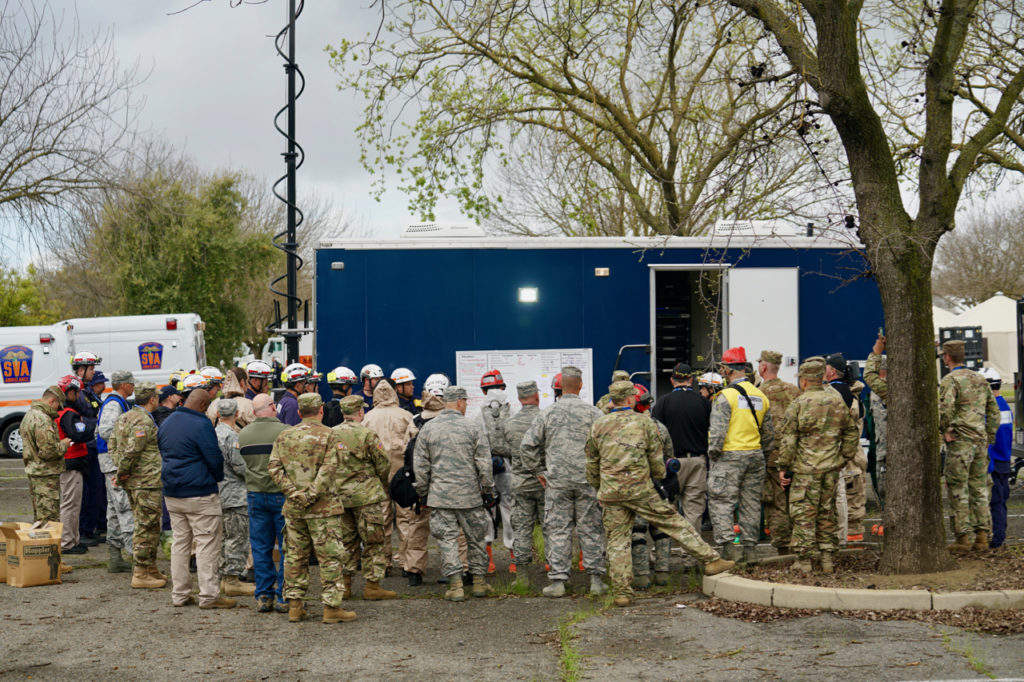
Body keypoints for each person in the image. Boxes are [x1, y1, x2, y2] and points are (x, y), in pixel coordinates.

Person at [586, 381, 734, 607]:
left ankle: (623, 592)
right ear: (630, 399)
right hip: (640, 490)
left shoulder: (598, 425)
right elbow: (657, 463)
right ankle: (711, 559)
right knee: (673, 522)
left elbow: (591, 462)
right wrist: (658, 476)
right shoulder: (645, 424)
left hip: (611, 492)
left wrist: (600, 487)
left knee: (617, 541)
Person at [269, 392, 355, 624]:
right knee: (330, 557)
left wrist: (294, 493)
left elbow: (274, 468)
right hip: (324, 509)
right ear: (321, 411)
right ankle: (331, 607)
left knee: (295, 556)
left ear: (298, 413)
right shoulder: (331, 435)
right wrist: (312, 494)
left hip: (295, 508)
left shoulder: (284, 435)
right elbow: (331, 467)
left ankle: (295, 606)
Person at [521, 366, 607, 597]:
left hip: (557, 482)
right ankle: (596, 580)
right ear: (580, 386)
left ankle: (558, 581)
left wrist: (539, 470)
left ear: (560, 388)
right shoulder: (594, 413)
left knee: (558, 529)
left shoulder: (547, 414)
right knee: (591, 528)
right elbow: (606, 447)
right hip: (586, 481)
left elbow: (527, 447)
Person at [776, 358, 860, 573]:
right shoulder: (837, 402)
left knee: (803, 513)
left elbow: (789, 440)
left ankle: (804, 561)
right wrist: (844, 456)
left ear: (804, 380)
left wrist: (784, 466)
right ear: (822, 377)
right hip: (831, 468)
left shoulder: (799, 404)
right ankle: (827, 559)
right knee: (826, 512)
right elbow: (851, 431)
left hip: (805, 470)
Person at [413, 385, 495, 602]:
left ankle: (455, 585)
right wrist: (487, 490)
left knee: (447, 540)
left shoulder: (429, 429)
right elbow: (484, 464)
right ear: (459, 402)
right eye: (466, 402)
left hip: (441, 497)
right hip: (470, 497)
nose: (466, 405)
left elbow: (420, 466)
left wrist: (422, 492)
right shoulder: (473, 427)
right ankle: (478, 583)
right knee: (476, 539)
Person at [159, 388, 236, 609]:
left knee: (180, 544)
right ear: (204, 406)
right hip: (199, 492)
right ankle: (209, 596)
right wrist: (217, 478)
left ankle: (180, 594)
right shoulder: (202, 425)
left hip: (172, 492)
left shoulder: (168, 421)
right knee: (206, 543)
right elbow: (213, 457)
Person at [707, 347, 773, 563]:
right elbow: (768, 435)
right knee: (751, 503)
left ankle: (728, 550)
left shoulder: (725, 397)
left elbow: (717, 434)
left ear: (726, 370)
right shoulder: (761, 396)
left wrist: (713, 455)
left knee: (721, 501)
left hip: (729, 455)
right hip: (755, 456)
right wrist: (761, 454)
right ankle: (750, 550)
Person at [328, 394, 397, 600]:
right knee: (373, 540)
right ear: (360, 412)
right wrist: (380, 483)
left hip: (340, 497)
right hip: (366, 497)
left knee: (346, 542)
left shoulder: (331, 434)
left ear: (343, 413)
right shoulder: (368, 435)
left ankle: (346, 586)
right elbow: (383, 464)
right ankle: (372, 586)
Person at [939, 339, 1000, 551]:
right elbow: (994, 412)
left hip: (960, 442)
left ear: (947, 357)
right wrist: (988, 436)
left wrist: (944, 430)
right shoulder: (980, 380)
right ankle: (982, 536)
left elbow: (944, 409)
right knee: (980, 488)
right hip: (979, 443)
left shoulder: (950, 380)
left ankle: (962, 537)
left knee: (958, 489)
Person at [110, 382, 166, 589]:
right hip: (145, 481)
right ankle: (141, 571)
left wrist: (121, 469)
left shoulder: (124, 417)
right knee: (146, 526)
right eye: (157, 397)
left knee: (148, 524)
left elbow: (112, 444)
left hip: (138, 480)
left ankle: (149, 567)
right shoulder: (143, 421)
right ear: (152, 399)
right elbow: (133, 451)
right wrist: (122, 472)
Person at [238, 393, 289, 613]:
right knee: (288, 546)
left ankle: (264, 595)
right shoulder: (285, 431)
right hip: (280, 493)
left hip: (255, 494)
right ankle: (284, 596)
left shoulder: (244, 433)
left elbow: (241, 463)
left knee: (260, 547)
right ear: (271, 407)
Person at [650, 362, 711, 539]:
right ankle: (691, 558)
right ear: (691, 380)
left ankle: (664, 557)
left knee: (668, 509)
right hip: (698, 461)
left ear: (672, 380)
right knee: (694, 511)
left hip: (671, 464)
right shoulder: (703, 403)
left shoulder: (663, 402)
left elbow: (655, 434)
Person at [362, 379, 416, 575]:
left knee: (382, 517)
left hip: (377, 473)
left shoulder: (368, 417)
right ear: (394, 393)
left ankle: (383, 562)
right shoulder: (406, 415)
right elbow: (413, 443)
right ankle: (406, 561)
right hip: (402, 474)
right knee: (405, 517)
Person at [754, 350, 801, 555]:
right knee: (798, 501)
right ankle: (800, 542)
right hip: (796, 455)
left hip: (771, 457)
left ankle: (783, 547)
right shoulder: (794, 391)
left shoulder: (757, 395)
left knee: (775, 504)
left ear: (763, 367)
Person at [629, 384, 675, 587]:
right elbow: (669, 457)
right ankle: (663, 572)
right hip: (660, 486)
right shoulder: (660, 427)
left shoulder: (630, 428)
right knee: (660, 529)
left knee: (638, 531)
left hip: (637, 486)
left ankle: (641, 576)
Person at [823, 353, 868, 541]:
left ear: (832, 371)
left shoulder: (835, 394)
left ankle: (849, 539)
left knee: (846, 498)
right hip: (853, 455)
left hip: (843, 455)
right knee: (853, 497)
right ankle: (851, 536)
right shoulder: (851, 393)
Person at [97, 370, 137, 572]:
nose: (133, 387)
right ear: (124, 385)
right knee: (125, 508)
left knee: (114, 510)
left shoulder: (114, 402)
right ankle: (136, 558)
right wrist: (125, 441)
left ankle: (115, 557)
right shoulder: (114, 404)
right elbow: (104, 430)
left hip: (109, 461)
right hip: (114, 462)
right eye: (132, 383)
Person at [504, 380, 544, 578]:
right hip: (545, 483)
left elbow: (503, 449)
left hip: (520, 483)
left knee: (521, 529)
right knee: (552, 528)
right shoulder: (546, 418)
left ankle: (521, 576)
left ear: (519, 399)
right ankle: (555, 572)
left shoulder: (509, 424)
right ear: (537, 396)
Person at [214, 399, 253, 597]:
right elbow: (239, 466)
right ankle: (232, 579)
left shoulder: (214, 433)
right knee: (238, 537)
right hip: (236, 493)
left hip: (220, 491)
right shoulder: (231, 436)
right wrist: (255, 475)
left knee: (225, 537)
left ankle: (224, 575)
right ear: (237, 414)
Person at [22, 385, 71, 525]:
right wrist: (63, 445)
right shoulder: (43, 420)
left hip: (36, 473)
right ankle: (48, 547)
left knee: (40, 518)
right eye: (58, 406)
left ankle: (40, 546)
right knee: (49, 521)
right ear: (52, 401)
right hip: (45, 476)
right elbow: (48, 451)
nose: (58, 410)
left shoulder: (29, 415)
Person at [479, 369, 512, 574]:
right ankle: (514, 558)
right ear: (502, 387)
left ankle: (488, 560)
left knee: (486, 509)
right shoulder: (512, 409)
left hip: (486, 466)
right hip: (509, 467)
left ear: (483, 391)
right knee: (509, 509)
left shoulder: (477, 412)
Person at [56, 375, 94, 554]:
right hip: (71, 462)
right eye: (77, 392)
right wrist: (90, 428)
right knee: (70, 505)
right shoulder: (69, 414)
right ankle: (67, 542)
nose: (79, 396)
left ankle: (72, 539)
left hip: (69, 461)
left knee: (73, 504)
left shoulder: (61, 412)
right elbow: (79, 434)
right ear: (70, 392)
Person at [75, 362, 106, 548]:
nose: (93, 372)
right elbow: (82, 418)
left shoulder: (87, 392)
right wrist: (96, 423)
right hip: (86, 446)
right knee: (87, 491)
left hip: (93, 445)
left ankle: (91, 527)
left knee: (96, 489)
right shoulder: (78, 393)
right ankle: (84, 529)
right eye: (91, 369)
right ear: (81, 370)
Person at [980, 368, 1012, 549]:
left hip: (994, 463)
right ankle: (999, 535)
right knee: (1001, 502)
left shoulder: (991, 409)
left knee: (996, 503)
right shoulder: (1005, 406)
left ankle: (997, 539)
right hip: (1004, 461)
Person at [863, 335, 888, 504]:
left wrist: (876, 352)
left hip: (885, 452)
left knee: (884, 490)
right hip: (885, 449)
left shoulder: (884, 389)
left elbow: (868, 375)